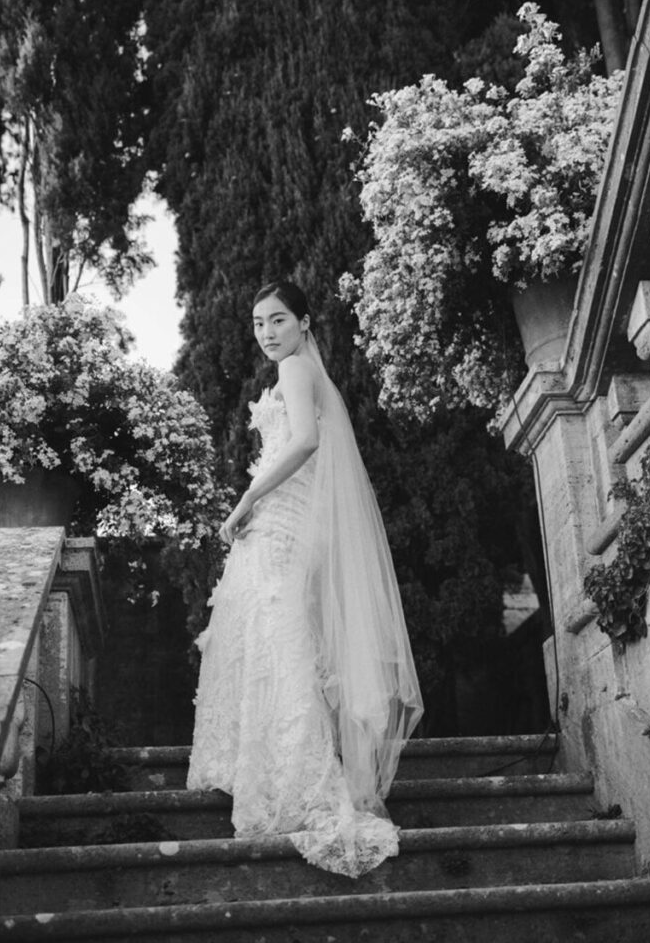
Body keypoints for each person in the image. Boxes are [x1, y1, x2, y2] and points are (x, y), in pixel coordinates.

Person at [187, 280, 423, 877]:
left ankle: (293, 779)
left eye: (278, 320)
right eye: (259, 323)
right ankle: (269, 770)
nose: (267, 333)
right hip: (287, 518)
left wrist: (245, 500)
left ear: (305, 323)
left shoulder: (295, 369)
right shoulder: (299, 372)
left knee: (277, 635)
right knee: (273, 636)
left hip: (281, 520)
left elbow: (305, 442)